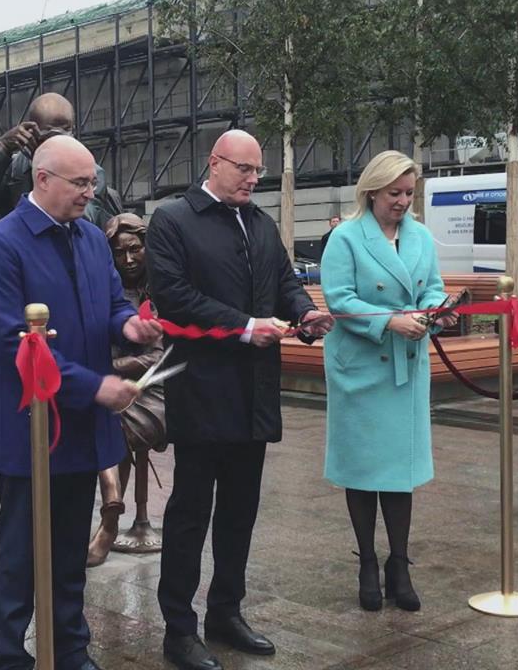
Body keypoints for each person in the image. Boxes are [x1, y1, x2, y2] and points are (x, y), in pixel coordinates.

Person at [0, 135, 163, 670]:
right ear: (42, 179)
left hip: (81, 423)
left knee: (70, 547)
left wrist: (132, 326)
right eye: (80, 183)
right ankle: (11, 656)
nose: (90, 192)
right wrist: (94, 386)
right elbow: (14, 343)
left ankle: (72, 647)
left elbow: (107, 308)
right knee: (20, 549)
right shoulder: (1, 243)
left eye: (92, 181)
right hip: (33, 425)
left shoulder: (89, 238)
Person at [147, 129, 334, 670]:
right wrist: (243, 324)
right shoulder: (174, 220)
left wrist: (304, 313)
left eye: (259, 172)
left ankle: (226, 611)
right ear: (215, 163)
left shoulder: (259, 222)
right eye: (244, 169)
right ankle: (178, 629)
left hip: (253, 391)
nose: (254, 179)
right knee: (190, 513)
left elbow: (283, 281)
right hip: (201, 390)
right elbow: (173, 296)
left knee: (240, 510)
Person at [321, 151, 457, 614]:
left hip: (406, 367)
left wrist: (435, 312)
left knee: (400, 474)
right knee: (363, 470)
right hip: (362, 367)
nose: (402, 201)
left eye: (408, 194)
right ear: (372, 192)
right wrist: (391, 320)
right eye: (394, 193)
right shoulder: (345, 238)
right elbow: (339, 298)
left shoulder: (420, 236)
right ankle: (367, 562)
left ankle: (399, 562)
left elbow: (434, 287)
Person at [86, 213, 167, 567]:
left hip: (156, 389)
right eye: (120, 253)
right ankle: (108, 505)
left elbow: (158, 355)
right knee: (95, 409)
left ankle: (109, 516)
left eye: (135, 249)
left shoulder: (162, 289)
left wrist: (111, 369)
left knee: (112, 420)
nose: (129, 259)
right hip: (115, 387)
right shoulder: (103, 288)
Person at [0, 92, 122, 227]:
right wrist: (1, 147)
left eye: (66, 131)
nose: (58, 141)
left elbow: (80, 221)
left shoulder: (91, 173)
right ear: (31, 131)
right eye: (49, 134)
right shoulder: (13, 170)